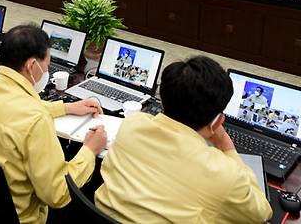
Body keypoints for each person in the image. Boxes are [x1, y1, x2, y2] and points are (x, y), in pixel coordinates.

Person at [0, 24, 107, 224]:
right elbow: (58, 195)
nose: (46, 71)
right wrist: (89, 151)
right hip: (19, 217)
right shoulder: (35, 120)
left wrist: (67, 108)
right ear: (32, 65)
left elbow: (12, 107)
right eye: (47, 65)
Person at [95, 56, 272, 223]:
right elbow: (261, 213)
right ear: (218, 121)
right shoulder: (224, 174)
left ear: (162, 100)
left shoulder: (132, 124)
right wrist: (226, 146)